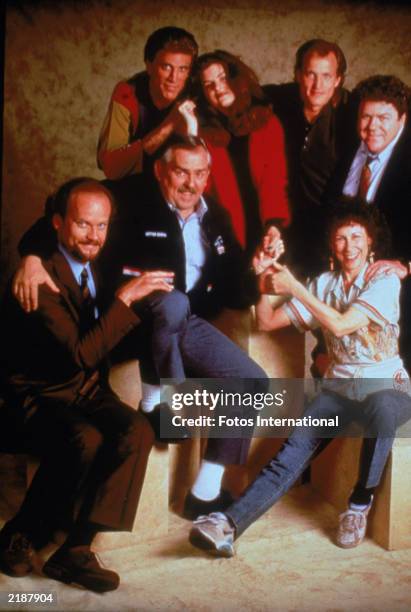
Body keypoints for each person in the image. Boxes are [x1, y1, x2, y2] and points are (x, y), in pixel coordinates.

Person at [13, 136, 268, 521]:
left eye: (200, 173)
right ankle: (165, 405)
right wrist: (31, 256)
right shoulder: (131, 198)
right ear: (162, 170)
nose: (190, 183)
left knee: (252, 381)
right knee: (173, 299)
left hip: (183, 322)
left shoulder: (215, 216)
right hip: (130, 319)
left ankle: (204, 492)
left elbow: (235, 288)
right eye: (181, 171)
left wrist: (257, 272)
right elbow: (66, 215)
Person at [188, 201, 411, 557]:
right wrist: (265, 281)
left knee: (384, 409)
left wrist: (293, 286)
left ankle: (358, 505)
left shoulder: (383, 281)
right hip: (338, 389)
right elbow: (267, 322)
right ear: (331, 245)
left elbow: (339, 324)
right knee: (289, 454)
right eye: (340, 238)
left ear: (371, 241)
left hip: (388, 385)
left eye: (357, 237)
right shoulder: (325, 283)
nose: (349, 246)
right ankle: (227, 525)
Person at [0, 178, 176, 591]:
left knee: (139, 430)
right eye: (83, 225)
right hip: (40, 395)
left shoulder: (102, 249)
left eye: (101, 226)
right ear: (58, 224)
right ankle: (20, 533)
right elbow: (79, 353)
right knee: (86, 438)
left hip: (87, 389)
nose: (94, 236)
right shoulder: (39, 280)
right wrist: (126, 298)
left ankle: (75, 550)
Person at [332, 74, 411, 373]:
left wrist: (408, 264)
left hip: (400, 299)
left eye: (383, 117)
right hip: (350, 286)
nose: (372, 125)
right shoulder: (353, 148)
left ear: (402, 118)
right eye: (366, 116)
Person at [264, 39, 356, 278]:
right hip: (284, 224)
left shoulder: (350, 115)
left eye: (326, 76)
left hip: (328, 228)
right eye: (310, 74)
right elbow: (240, 93)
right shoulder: (279, 101)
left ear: (338, 80)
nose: (317, 85)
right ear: (297, 75)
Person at [193, 50, 290, 256]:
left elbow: (274, 180)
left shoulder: (267, 122)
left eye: (223, 78)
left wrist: (274, 226)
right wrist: (191, 131)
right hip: (222, 234)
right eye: (209, 85)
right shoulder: (202, 134)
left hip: (267, 231)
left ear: (237, 79)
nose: (219, 89)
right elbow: (202, 191)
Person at [97, 26, 198, 182]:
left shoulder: (198, 92)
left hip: (181, 186)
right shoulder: (128, 93)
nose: (174, 78)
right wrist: (170, 124)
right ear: (149, 66)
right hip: (135, 185)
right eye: (166, 67)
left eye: (183, 69)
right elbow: (112, 168)